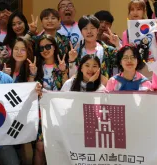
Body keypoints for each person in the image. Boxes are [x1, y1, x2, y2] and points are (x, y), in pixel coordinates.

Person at [33, 34, 68, 165]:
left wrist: (64, 71)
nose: (45, 50)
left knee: (58, 147)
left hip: (59, 112)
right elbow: (31, 88)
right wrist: (32, 74)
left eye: (48, 46)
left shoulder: (62, 65)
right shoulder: (35, 67)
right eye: (41, 48)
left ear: (55, 47)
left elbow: (67, 88)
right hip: (40, 111)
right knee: (40, 147)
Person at [68, 15, 121, 85]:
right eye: (85, 28)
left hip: (104, 91)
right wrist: (71, 61)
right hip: (82, 91)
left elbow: (123, 63)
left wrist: (118, 45)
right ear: (81, 32)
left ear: (98, 30)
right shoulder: (76, 53)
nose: (89, 31)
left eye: (92, 28)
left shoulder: (108, 50)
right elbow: (72, 77)